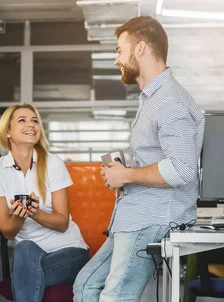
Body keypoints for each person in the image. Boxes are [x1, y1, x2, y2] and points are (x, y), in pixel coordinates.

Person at [73, 16, 205, 301]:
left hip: (152, 218)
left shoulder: (169, 101)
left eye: (120, 50)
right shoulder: (152, 98)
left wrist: (127, 175)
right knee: (85, 286)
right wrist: (126, 172)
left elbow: (182, 169)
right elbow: (165, 159)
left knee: (115, 297)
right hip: (133, 218)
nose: (116, 59)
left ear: (141, 48)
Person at [0, 104, 89, 302]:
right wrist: (20, 216)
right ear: (8, 131)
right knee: (24, 248)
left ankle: (19, 283)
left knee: (24, 280)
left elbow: (62, 222)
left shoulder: (53, 163)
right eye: (22, 120)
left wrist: (35, 213)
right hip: (29, 255)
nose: (31, 124)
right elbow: (8, 231)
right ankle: (22, 282)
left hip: (69, 251)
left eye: (35, 120)